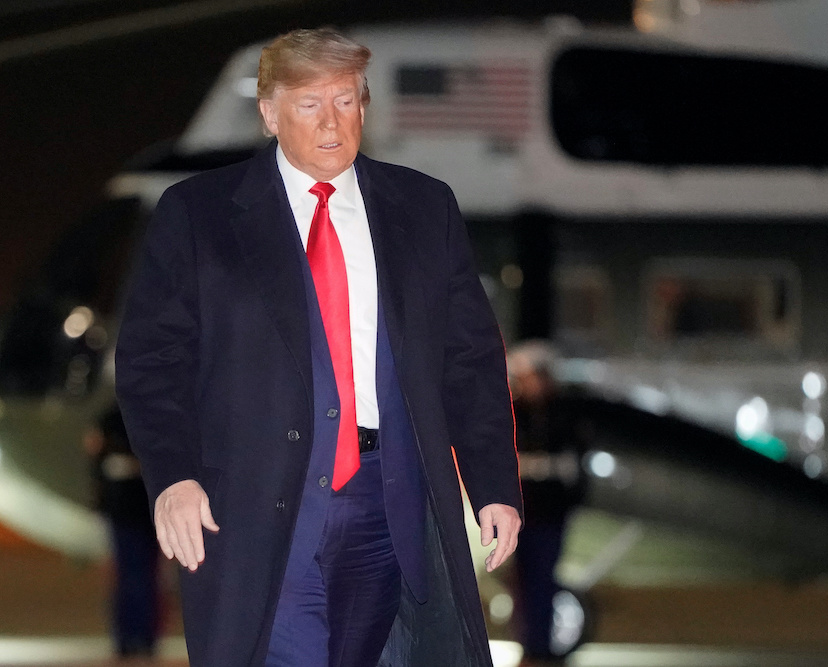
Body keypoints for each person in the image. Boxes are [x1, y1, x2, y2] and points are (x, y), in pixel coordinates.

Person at [115, 27, 522, 667]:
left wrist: (495, 483)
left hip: (387, 504)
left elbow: (468, 361)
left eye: (347, 100)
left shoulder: (424, 208)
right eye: (310, 104)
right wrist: (174, 476)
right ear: (269, 113)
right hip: (254, 506)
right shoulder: (199, 215)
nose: (332, 122)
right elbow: (151, 363)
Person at [507, 342, 585, 665]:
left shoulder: (563, 415)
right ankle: (530, 645)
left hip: (549, 514)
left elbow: (574, 466)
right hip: (522, 515)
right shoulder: (515, 415)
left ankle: (540, 648)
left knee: (542, 581)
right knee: (522, 582)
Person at [83, 403, 160, 659]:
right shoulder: (118, 417)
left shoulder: (119, 417)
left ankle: (137, 638)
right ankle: (132, 639)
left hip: (140, 509)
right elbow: (98, 460)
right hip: (129, 509)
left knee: (139, 576)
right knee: (134, 575)